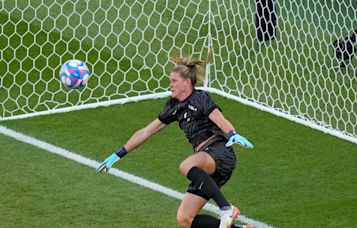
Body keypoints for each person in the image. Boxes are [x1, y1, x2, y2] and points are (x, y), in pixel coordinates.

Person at [97, 56, 254, 228]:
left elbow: (218, 118)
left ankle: (226, 208)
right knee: (185, 220)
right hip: (206, 165)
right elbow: (146, 131)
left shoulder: (200, 97)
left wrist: (232, 133)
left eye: (173, 81)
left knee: (186, 165)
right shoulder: (173, 106)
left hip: (219, 151)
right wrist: (118, 154)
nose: (170, 85)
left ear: (187, 82)